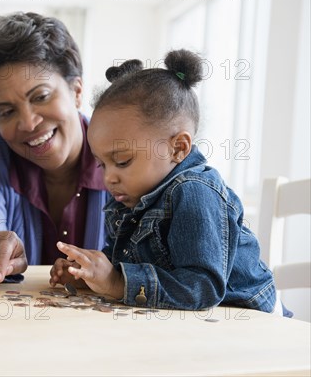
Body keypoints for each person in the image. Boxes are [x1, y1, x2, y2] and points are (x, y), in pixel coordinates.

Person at [50, 49, 278, 313]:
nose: (108, 177)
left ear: (178, 148)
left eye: (122, 161)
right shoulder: (131, 194)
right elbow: (120, 264)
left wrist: (116, 282)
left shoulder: (195, 192)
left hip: (247, 315)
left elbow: (202, 288)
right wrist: (88, 274)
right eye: (102, 164)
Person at [0, 12, 109, 283]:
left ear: (76, 91)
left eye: (40, 96)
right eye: (7, 111)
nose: (28, 123)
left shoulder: (125, 152)